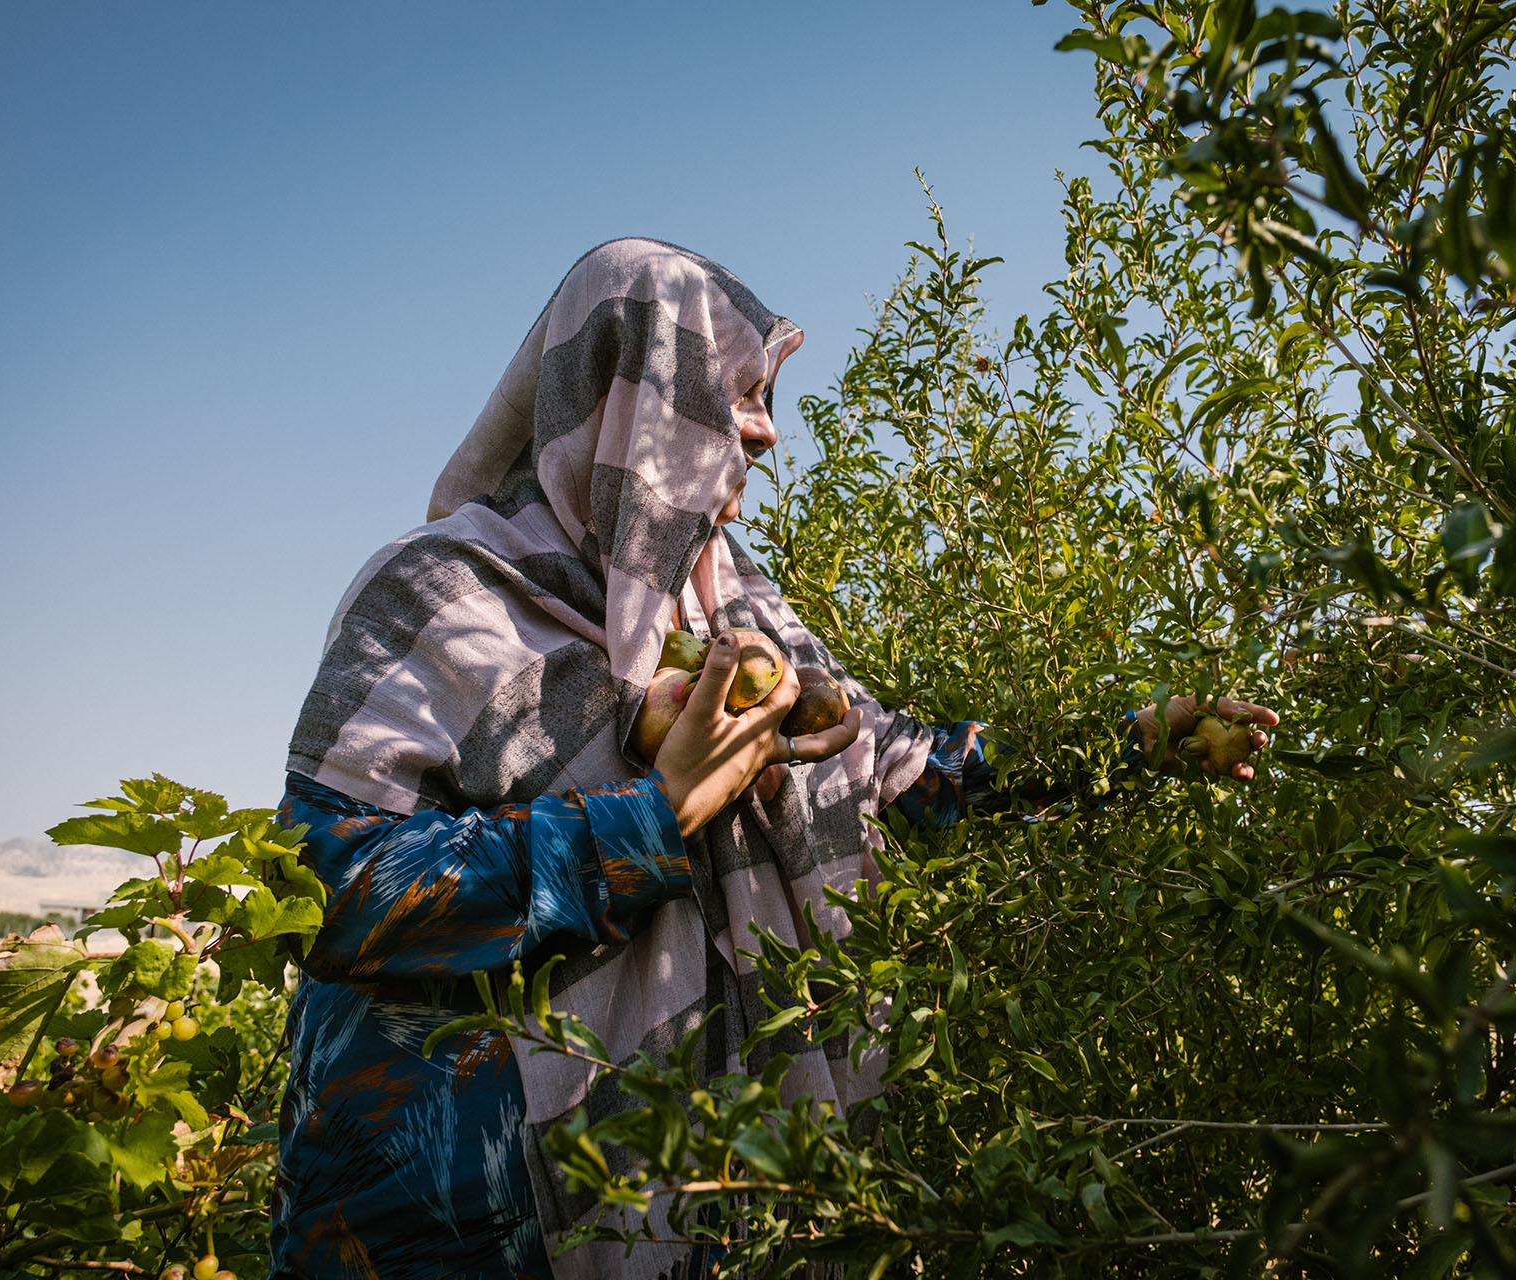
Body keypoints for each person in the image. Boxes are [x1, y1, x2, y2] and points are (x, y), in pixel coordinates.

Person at [267, 239, 1274, 1280]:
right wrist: (652, 817)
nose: (767, 429)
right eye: (740, 390)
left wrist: (1126, 742)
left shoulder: (734, 610)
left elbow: (898, 775)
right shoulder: (446, 597)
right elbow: (316, 885)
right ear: (631, 391)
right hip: (461, 1217)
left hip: (706, 1189)